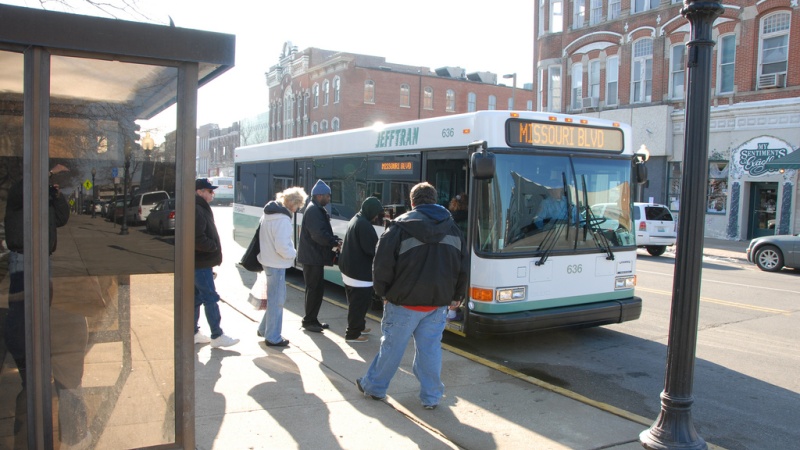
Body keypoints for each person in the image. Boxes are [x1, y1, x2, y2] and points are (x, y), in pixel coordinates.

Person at [356, 182, 467, 410]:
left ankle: (375, 387)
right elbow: (462, 267)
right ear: (435, 200)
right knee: (430, 351)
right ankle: (431, 397)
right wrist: (456, 296)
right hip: (437, 305)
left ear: (412, 202)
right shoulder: (453, 229)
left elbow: (382, 264)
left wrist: (383, 293)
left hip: (403, 302)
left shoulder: (399, 227)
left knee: (392, 349)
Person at [4, 164, 92, 449]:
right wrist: (45, 175)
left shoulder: (43, 198)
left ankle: (73, 435)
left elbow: (62, 219)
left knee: (59, 369)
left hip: (45, 259)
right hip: (22, 260)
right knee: (27, 321)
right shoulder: (19, 195)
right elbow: (22, 189)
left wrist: (56, 195)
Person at [255, 186, 308, 347]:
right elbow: (282, 247)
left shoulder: (269, 214)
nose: (297, 209)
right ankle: (273, 337)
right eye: (298, 206)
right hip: (276, 264)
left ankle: (264, 329)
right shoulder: (283, 220)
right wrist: (293, 254)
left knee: (273, 298)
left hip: (267, 261)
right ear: (293, 204)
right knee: (277, 301)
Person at [194, 178, 238, 347]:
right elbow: (198, 238)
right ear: (200, 192)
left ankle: (194, 332)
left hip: (199, 261)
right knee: (210, 297)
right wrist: (213, 247)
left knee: (197, 297)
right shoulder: (198, 209)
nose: (213, 194)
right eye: (210, 191)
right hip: (202, 262)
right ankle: (217, 335)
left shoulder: (199, 207)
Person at [296, 179, 342, 333]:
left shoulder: (314, 208)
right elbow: (318, 234)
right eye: (328, 196)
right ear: (319, 195)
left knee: (316, 290)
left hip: (313, 256)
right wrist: (333, 242)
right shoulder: (314, 210)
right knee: (314, 290)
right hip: (312, 257)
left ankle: (312, 319)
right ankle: (309, 321)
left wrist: (333, 240)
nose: (329, 199)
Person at [338, 196, 383, 343]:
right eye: (376, 213)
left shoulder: (356, 219)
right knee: (359, 303)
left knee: (355, 302)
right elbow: (372, 250)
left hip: (349, 270)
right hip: (359, 274)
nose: (377, 217)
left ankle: (359, 326)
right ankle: (352, 334)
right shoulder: (364, 225)